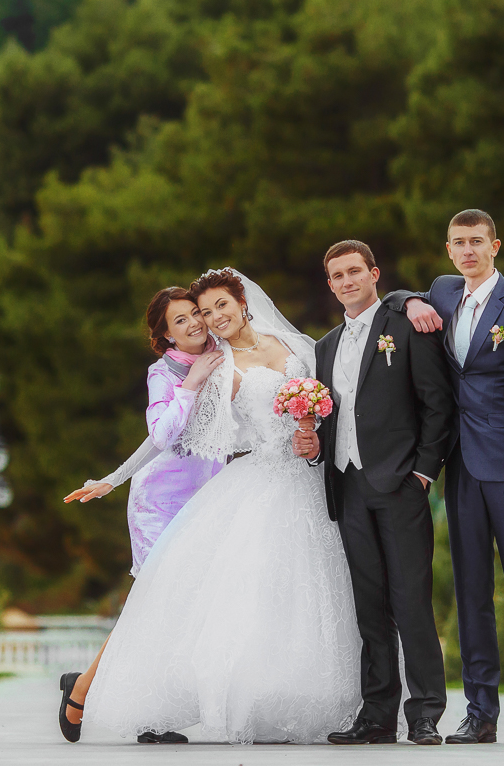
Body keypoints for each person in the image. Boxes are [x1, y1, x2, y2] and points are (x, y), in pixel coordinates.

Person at [82, 268, 362, 744]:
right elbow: (163, 438)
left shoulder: (296, 345)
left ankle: (308, 700)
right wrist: (113, 478)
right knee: (252, 594)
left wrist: (315, 438)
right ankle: (251, 704)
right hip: (257, 481)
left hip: (309, 483)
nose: (213, 318)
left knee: (312, 591)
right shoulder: (215, 367)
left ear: (243, 302)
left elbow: (342, 397)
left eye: (219, 307)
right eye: (204, 313)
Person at [382, 209, 504, 747]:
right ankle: (480, 713)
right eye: (459, 243)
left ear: (495, 246)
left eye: (477, 242)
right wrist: (412, 301)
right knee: (471, 593)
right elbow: (396, 298)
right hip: (458, 465)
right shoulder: (442, 291)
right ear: (448, 250)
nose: (468, 251)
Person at [56, 287, 226, 744]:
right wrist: (112, 479)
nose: (193, 323)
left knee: (186, 609)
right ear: (166, 335)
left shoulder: (225, 352)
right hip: (160, 502)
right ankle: (116, 705)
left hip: (209, 499)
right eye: (180, 321)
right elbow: (161, 436)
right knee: (155, 606)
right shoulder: (164, 373)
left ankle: (90, 688)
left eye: (195, 314)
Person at [305, 240, 455, 746]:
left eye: (355, 272)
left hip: (400, 485)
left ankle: (426, 713)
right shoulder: (323, 348)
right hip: (347, 486)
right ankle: (377, 716)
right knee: (368, 606)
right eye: (338, 276)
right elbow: (331, 419)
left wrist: (424, 473)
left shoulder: (406, 324)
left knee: (411, 601)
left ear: (374, 274)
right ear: (330, 285)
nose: (347, 281)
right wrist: (312, 447)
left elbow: (437, 404)